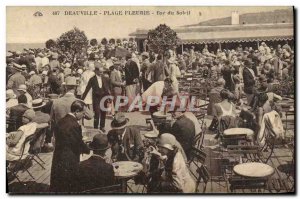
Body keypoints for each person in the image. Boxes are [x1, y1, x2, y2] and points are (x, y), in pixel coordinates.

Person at [50, 100, 90, 193]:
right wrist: (88, 149)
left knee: (59, 182)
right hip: (69, 158)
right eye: (83, 113)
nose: (84, 115)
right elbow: (77, 143)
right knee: (69, 183)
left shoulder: (61, 121)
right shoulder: (74, 125)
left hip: (58, 155)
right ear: (76, 111)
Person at [81, 65, 111, 132]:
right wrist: (82, 99)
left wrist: (109, 97)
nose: (101, 73)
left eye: (102, 72)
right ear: (96, 71)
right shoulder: (92, 79)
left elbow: (107, 89)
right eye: (100, 72)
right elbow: (87, 89)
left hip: (104, 97)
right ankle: (96, 127)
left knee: (103, 113)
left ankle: (102, 126)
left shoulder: (105, 78)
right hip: (96, 98)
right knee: (97, 113)